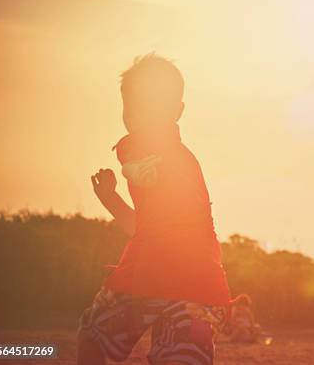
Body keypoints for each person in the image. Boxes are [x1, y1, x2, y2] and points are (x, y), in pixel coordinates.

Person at [78, 54, 230, 365]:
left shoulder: (162, 157)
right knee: (175, 353)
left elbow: (133, 161)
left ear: (178, 112)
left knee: (95, 335)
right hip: (177, 279)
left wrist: (133, 169)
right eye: (131, 107)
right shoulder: (155, 156)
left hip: (171, 280)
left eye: (150, 107)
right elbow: (145, 228)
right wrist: (111, 198)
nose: (137, 116)